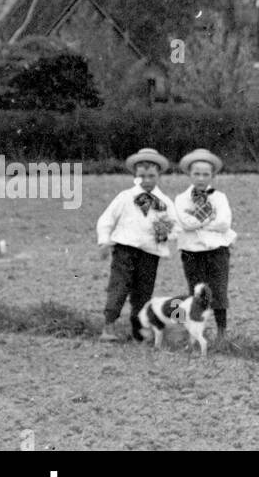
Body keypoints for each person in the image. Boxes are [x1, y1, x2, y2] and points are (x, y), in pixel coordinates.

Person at [96, 148, 177, 342]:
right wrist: (104, 241)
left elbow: (175, 227)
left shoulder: (164, 202)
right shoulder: (125, 197)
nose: (146, 180)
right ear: (135, 176)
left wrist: (165, 235)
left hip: (149, 253)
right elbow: (106, 219)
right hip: (125, 249)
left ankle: (138, 332)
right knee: (119, 287)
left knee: (143, 292)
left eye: (151, 175)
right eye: (141, 176)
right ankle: (108, 327)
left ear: (159, 175)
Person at [172, 148, 237, 345]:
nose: (201, 178)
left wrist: (197, 221)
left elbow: (224, 223)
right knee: (196, 292)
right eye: (196, 174)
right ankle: (196, 333)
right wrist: (209, 219)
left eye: (205, 174)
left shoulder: (219, 197)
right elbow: (184, 222)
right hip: (191, 251)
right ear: (189, 174)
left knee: (218, 290)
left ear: (212, 176)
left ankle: (221, 333)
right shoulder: (181, 199)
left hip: (217, 250)